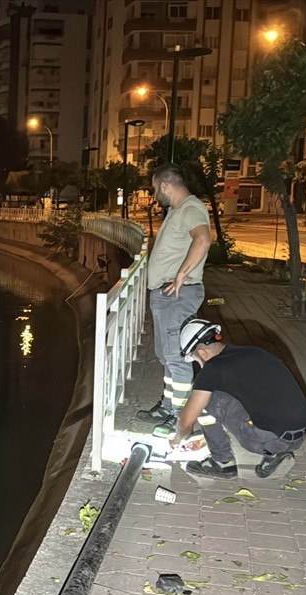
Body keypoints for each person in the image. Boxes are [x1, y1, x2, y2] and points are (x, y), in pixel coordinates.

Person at [171, 318, 306, 479]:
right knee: (245, 401)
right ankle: (274, 457)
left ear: (203, 353)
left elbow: (186, 422)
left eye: (196, 359)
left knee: (206, 398)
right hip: (299, 434)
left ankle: (222, 462)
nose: (198, 364)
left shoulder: (213, 368)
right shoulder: (254, 351)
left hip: (271, 439)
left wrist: (176, 440)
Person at [135, 164, 212, 436]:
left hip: (177, 295)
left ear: (165, 185)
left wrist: (180, 275)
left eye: (156, 189)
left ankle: (180, 417)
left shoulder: (191, 208)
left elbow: (202, 240)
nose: (156, 194)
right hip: (166, 296)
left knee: (176, 358)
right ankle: (168, 406)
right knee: (166, 355)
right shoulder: (177, 211)